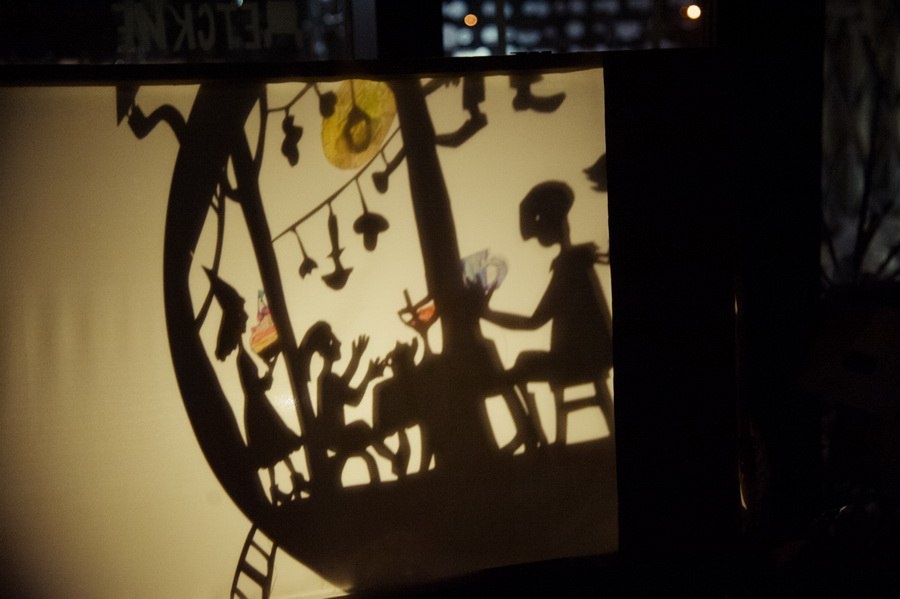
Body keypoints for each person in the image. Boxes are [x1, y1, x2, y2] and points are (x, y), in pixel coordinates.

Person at [480, 181, 614, 439]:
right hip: (592, 353)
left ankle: (529, 433)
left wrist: (487, 314)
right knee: (523, 363)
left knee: (522, 364)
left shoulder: (568, 265)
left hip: (580, 358)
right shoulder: (579, 259)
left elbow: (533, 322)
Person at [207, 268, 307, 505]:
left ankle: (286, 482)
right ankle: (284, 483)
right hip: (258, 408)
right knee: (275, 445)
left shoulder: (244, 356)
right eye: (241, 320)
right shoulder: (242, 359)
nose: (245, 322)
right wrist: (269, 375)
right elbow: (254, 387)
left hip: (258, 407)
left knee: (274, 448)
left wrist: (268, 373)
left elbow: (256, 386)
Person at [299, 322, 407, 484]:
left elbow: (345, 381)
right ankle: (395, 460)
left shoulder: (328, 378)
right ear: (328, 347)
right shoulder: (328, 380)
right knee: (363, 427)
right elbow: (354, 398)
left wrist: (357, 358)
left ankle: (395, 459)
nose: (339, 343)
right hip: (335, 437)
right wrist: (368, 375)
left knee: (364, 429)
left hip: (334, 435)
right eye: (334, 341)